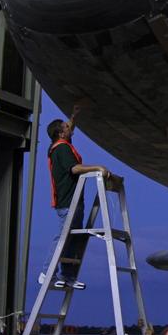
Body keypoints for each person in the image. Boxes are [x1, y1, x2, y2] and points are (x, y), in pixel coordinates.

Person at [44, 110, 112, 290]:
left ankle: (67, 276)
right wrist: (98, 167)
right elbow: (74, 169)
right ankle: (47, 273)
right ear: (61, 133)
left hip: (75, 201)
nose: (70, 128)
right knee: (63, 238)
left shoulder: (61, 144)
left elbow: (69, 127)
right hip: (68, 201)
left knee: (73, 239)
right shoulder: (62, 148)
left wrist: (74, 116)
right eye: (66, 127)